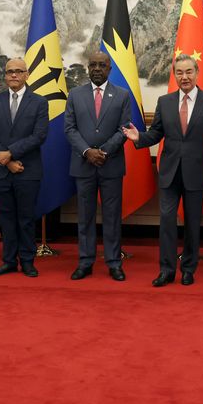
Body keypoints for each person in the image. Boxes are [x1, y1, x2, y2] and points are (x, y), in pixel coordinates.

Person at [122, 54, 203, 287]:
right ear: (174, 74)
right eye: (179, 72)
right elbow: (156, 134)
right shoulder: (165, 101)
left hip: (195, 172)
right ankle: (166, 270)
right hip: (169, 172)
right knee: (167, 221)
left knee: (193, 223)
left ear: (196, 72)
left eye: (188, 71)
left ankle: (189, 268)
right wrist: (139, 138)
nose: (184, 77)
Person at [64, 51, 130, 281]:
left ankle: (114, 262)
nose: (97, 69)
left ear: (109, 69)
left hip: (110, 164)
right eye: (93, 65)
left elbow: (124, 129)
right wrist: (87, 152)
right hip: (83, 165)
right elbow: (69, 129)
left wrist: (103, 151)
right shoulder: (75, 94)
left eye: (102, 65)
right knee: (85, 216)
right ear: (87, 67)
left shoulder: (122, 95)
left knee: (112, 216)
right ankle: (85, 261)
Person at [0, 58, 49, 278]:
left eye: (18, 71)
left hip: (27, 171)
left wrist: (11, 153)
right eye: (9, 71)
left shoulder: (39, 102)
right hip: (0, 171)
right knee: (6, 218)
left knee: (26, 218)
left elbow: (39, 136)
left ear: (27, 75)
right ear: (4, 75)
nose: (13, 75)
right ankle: (9, 261)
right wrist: (7, 160)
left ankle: (28, 261)